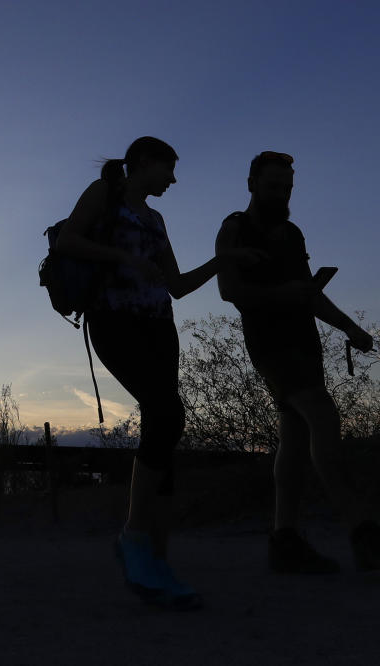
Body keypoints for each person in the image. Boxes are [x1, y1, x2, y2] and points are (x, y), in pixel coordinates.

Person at [57, 137, 264, 609]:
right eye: (168, 169)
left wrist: (224, 261)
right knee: (166, 413)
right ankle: (134, 538)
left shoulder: (156, 219)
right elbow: (70, 238)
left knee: (167, 425)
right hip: (113, 320)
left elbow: (178, 287)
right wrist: (124, 258)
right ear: (143, 164)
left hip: (159, 327)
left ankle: (158, 559)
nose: (173, 180)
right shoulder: (103, 193)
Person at [215, 150, 380, 573]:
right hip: (271, 344)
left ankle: (285, 540)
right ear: (252, 183)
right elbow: (229, 291)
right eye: (274, 186)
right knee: (323, 419)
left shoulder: (292, 234)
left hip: (303, 344)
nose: (282, 193)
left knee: (293, 437)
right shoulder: (234, 228)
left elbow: (310, 294)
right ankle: (362, 532)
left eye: (288, 187)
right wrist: (283, 295)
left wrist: (349, 327)